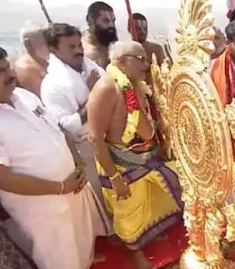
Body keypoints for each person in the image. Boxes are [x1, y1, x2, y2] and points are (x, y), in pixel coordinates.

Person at [0, 46, 107, 269]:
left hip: (72, 186)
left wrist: (76, 161)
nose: (10, 74)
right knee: (59, 255)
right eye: (1, 72)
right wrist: (59, 187)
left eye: (7, 67)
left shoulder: (24, 96)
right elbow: (5, 180)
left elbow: (56, 130)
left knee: (81, 239)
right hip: (43, 206)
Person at [86, 41, 183, 269]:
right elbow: (95, 139)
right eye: (140, 59)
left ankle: (152, 235)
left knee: (160, 193)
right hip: (119, 164)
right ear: (120, 61)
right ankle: (137, 256)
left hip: (145, 157)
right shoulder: (106, 89)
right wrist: (114, 178)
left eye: (146, 58)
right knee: (128, 212)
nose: (146, 64)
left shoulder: (135, 85)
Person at [40, 23, 110, 218]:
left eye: (79, 45)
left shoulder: (90, 66)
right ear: (53, 49)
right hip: (87, 152)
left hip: (111, 140)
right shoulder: (52, 85)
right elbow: (67, 126)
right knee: (101, 202)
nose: (79, 50)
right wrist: (95, 94)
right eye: (71, 47)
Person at [14, 21, 49, 97]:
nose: (50, 45)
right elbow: (42, 97)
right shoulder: (26, 68)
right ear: (28, 44)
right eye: (45, 42)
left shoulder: (43, 59)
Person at [83, 1, 118, 68]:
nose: (111, 25)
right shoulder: (81, 49)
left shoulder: (111, 46)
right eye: (105, 21)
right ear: (90, 21)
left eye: (113, 21)